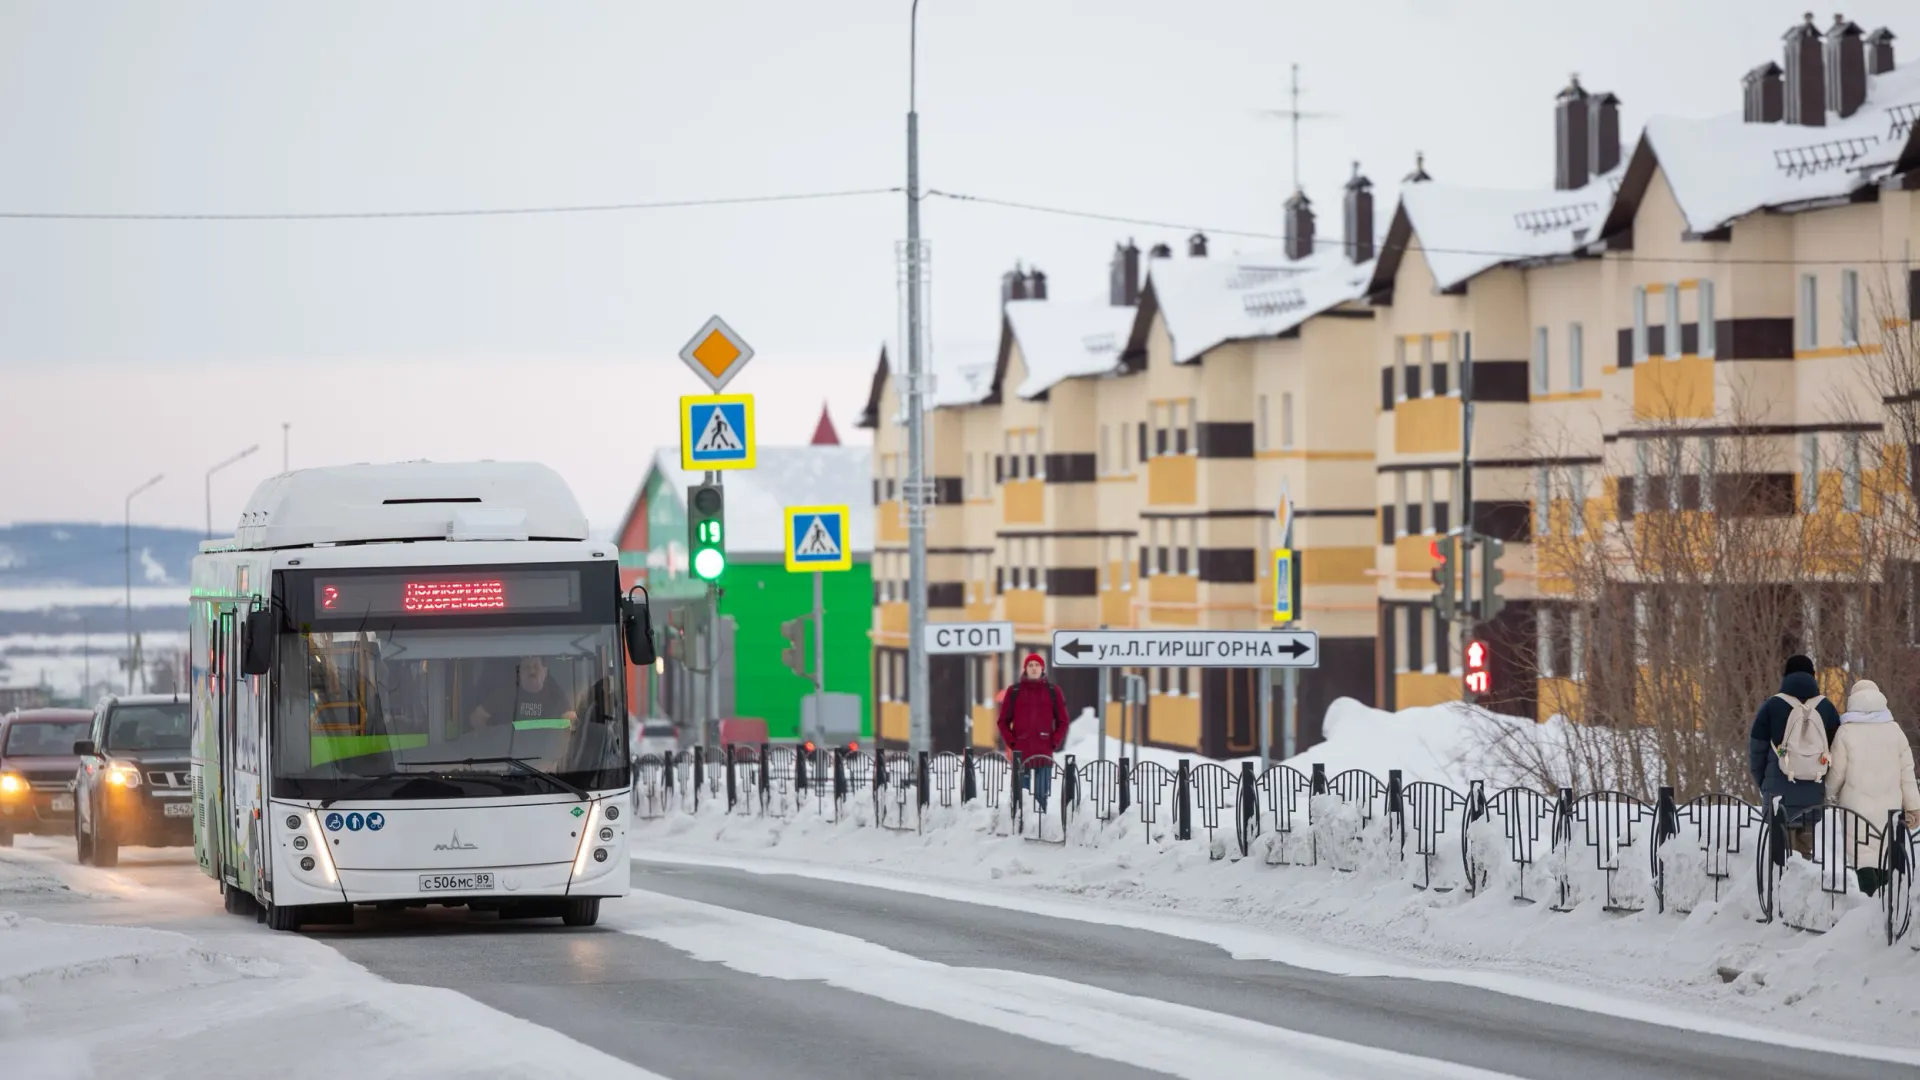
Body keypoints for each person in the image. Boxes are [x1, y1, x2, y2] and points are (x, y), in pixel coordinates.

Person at [1824, 679, 1920, 897]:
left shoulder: (1846, 732)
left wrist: (1827, 793)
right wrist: (1914, 806)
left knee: (1863, 857)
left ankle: (1869, 905)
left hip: (1857, 808)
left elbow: (1837, 773)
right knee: (1887, 856)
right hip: (1890, 808)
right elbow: (1907, 772)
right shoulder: (1894, 731)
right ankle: (1886, 909)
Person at [1748, 654, 1841, 861]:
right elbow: (1837, 752)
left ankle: (1780, 890)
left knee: (1779, 856)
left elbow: (1757, 751)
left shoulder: (1771, 706)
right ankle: (1801, 890)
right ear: (1813, 676)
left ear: (1786, 675)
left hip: (1778, 793)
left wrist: (1763, 783)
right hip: (1813, 790)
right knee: (1804, 857)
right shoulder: (1826, 708)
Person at [996, 652, 1070, 812]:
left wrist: (1054, 741)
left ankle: (1040, 829)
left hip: (1043, 753)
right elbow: (1002, 721)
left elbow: (1063, 721)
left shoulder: (1053, 691)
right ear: (1025, 669)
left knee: (1041, 797)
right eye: (1030, 665)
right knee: (1021, 798)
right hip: (1021, 753)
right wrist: (1012, 742)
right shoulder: (1014, 691)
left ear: (1043, 668)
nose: (1034, 668)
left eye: (1037, 665)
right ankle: (1020, 828)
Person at [470, 656, 577, 733]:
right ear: (519, 672)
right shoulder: (505, 693)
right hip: (508, 755)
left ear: (545, 671)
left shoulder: (555, 693)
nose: (531, 670)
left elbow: (570, 720)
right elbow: (477, 717)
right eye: (526, 667)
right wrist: (491, 739)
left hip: (547, 758)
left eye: (536, 666)